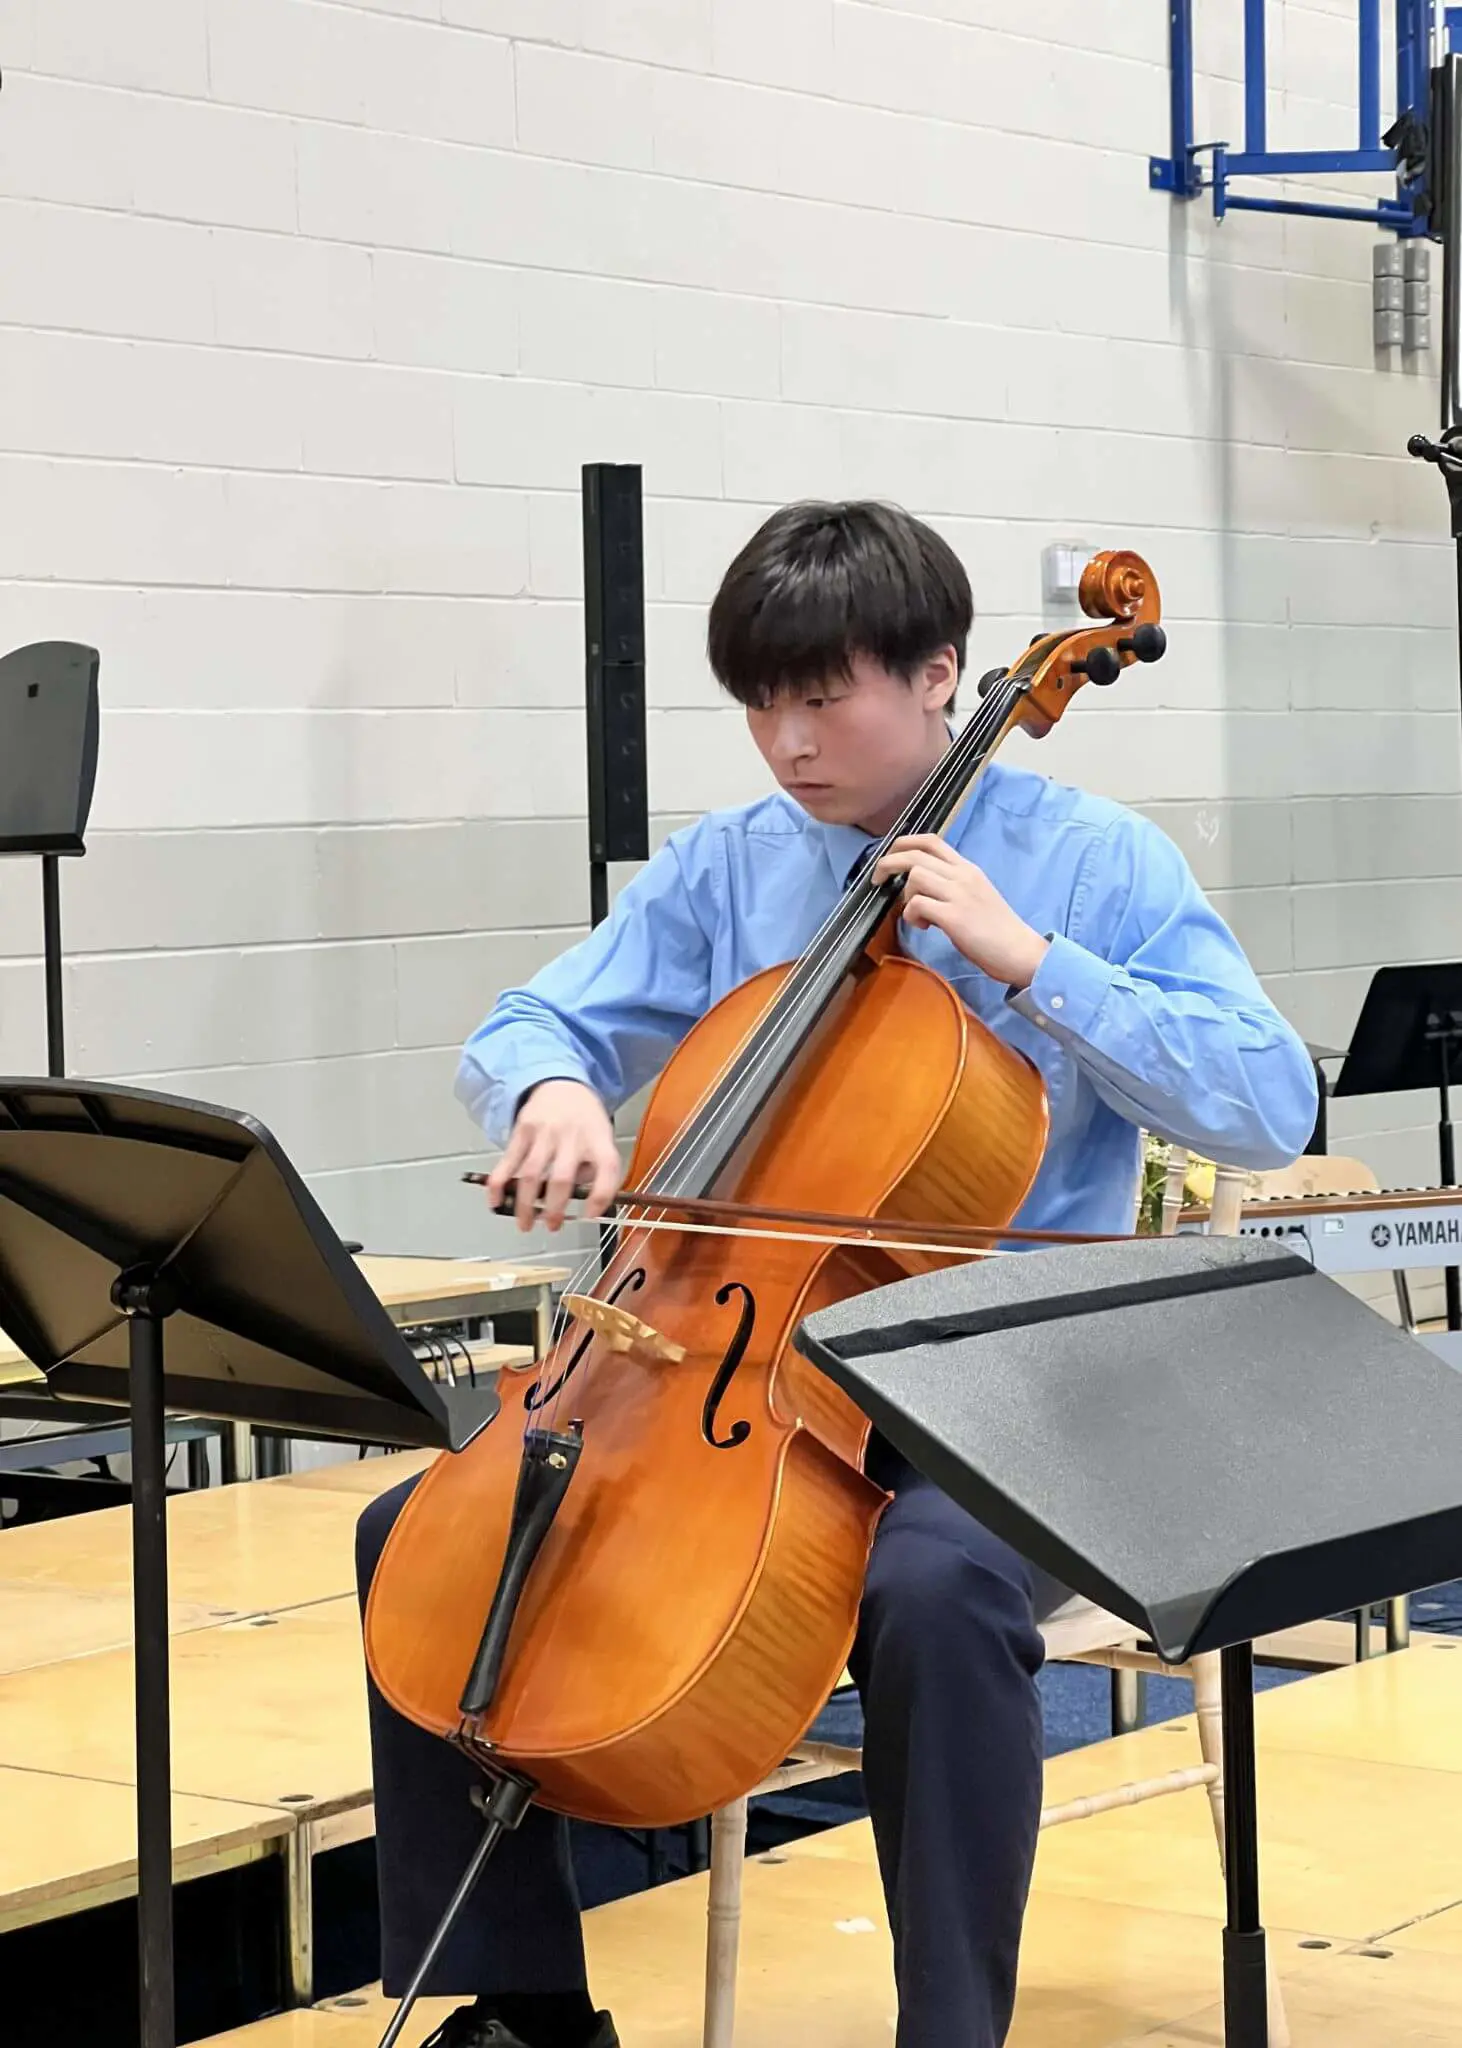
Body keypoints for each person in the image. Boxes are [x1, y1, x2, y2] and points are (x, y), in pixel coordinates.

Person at [356, 501, 1318, 2048]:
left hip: (1005, 1383)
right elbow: (531, 1022)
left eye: (822, 698)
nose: (785, 743)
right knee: (431, 1532)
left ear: (941, 676)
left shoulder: (1090, 860)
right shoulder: (733, 865)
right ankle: (519, 2008)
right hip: (725, 1367)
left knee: (931, 1593)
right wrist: (541, 1090)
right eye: (758, 704)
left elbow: (1270, 1108)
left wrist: (1031, 963)